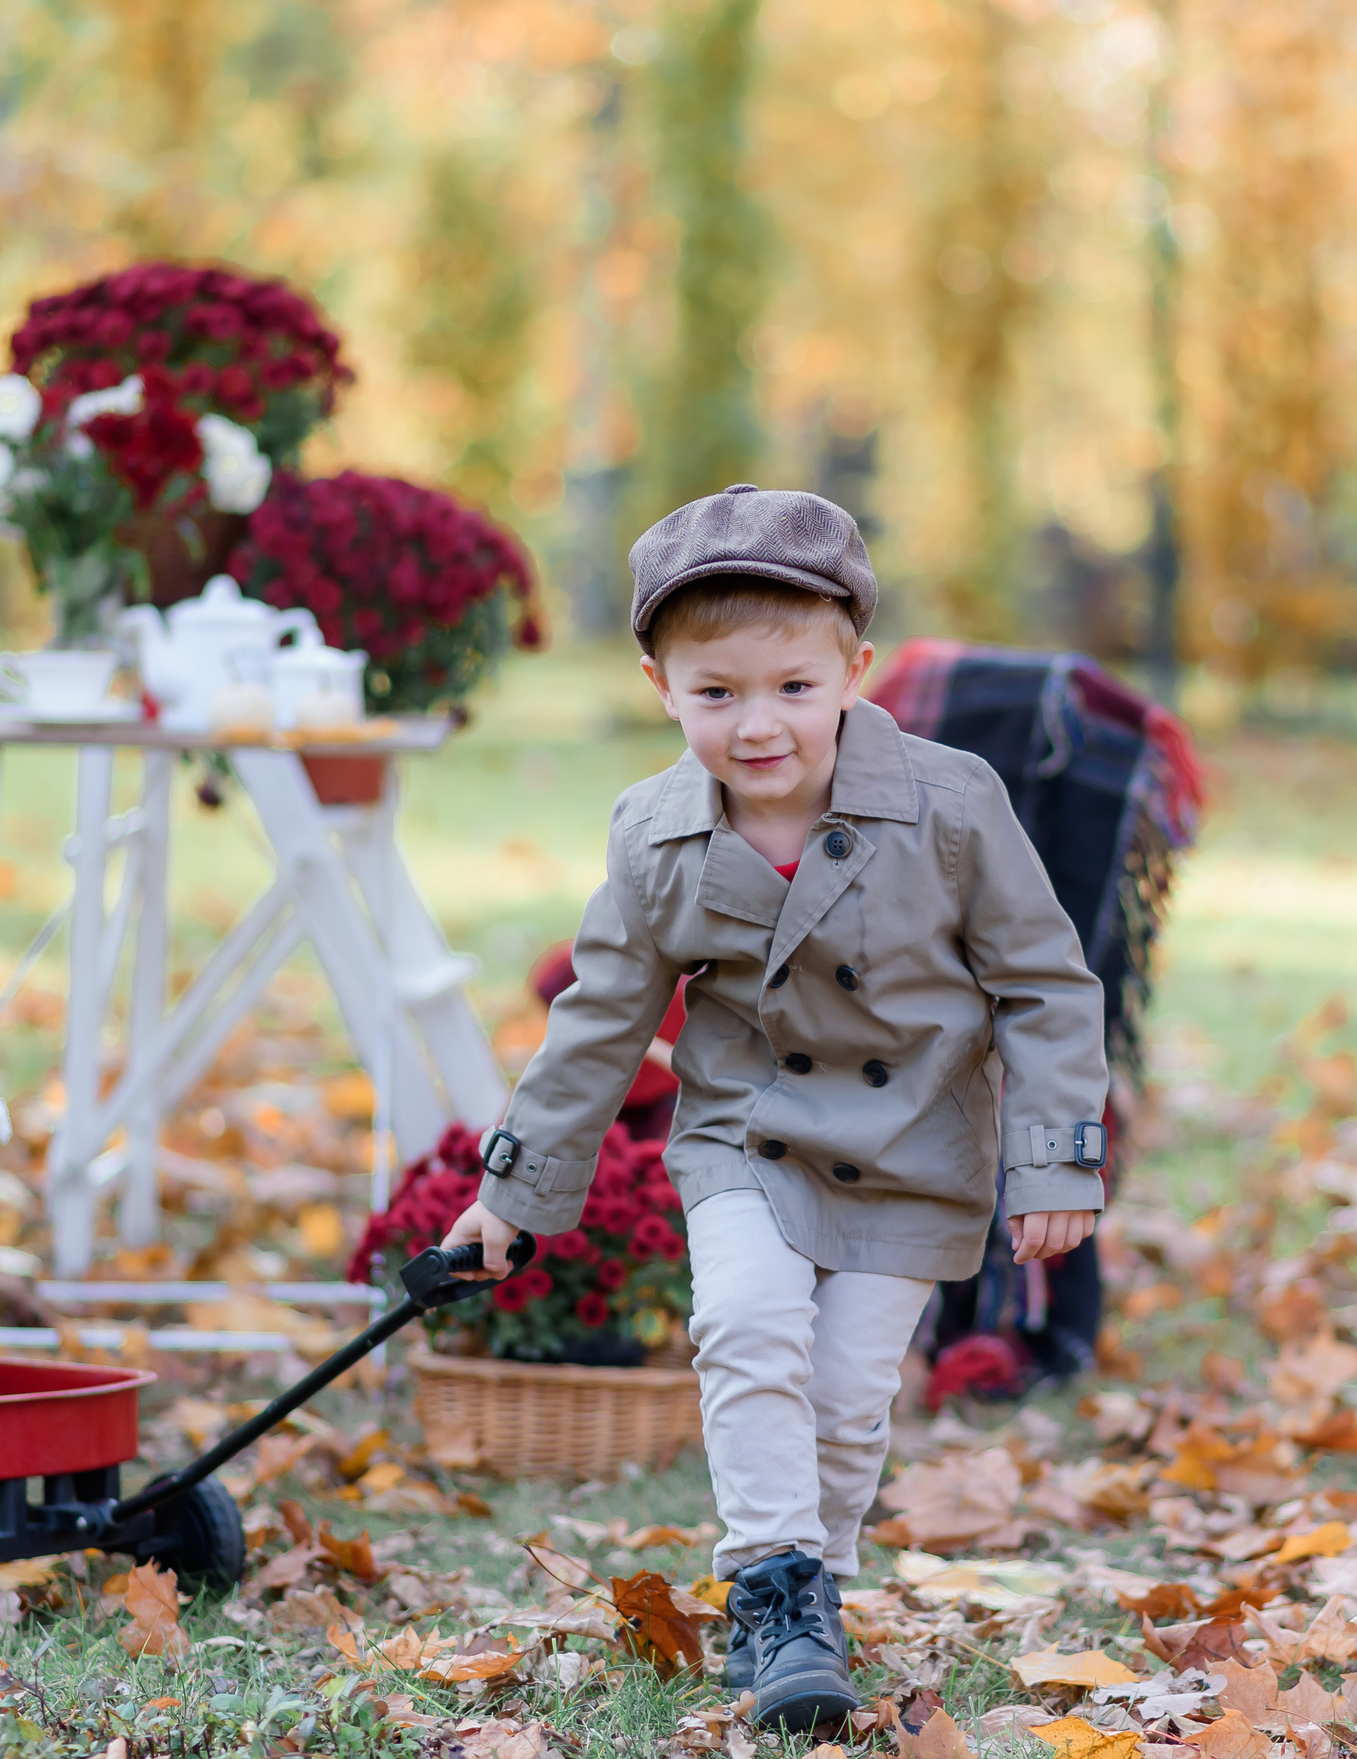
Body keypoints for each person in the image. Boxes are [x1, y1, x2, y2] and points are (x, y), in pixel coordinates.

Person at [441, 484, 1109, 1731]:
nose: (758, 725)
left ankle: (815, 1597)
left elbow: (1045, 985)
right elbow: (600, 1016)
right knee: (746, 1327)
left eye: (794, 687)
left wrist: (1054, 1162)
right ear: (662, 687)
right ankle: (773, 1584)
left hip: (912, 1145)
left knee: (847, 1400)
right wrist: (509, 1195)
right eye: (717, 693)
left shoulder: (952, 804)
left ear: (854, 670)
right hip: (745, 1136)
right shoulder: (655, 836)